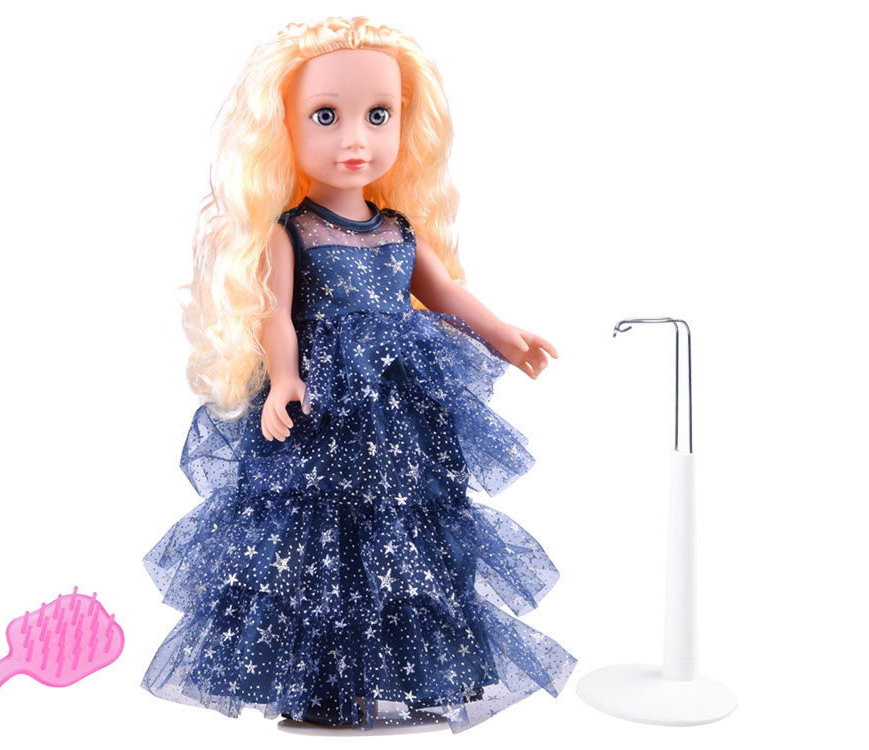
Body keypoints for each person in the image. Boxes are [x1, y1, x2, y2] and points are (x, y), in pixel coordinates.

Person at [141, 16, 576, 732]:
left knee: (410, 533)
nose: (356, 140)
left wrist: (502, 333)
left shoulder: (399, 229)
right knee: (316, 542)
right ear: (283, 127)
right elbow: (276, 316)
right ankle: (321, 686)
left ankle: (417, 673)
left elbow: (446, 294)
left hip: (403, 413)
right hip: (326, 409)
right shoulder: (289, 231)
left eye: (379, 115)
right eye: (326, 116)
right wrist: (284, 379)